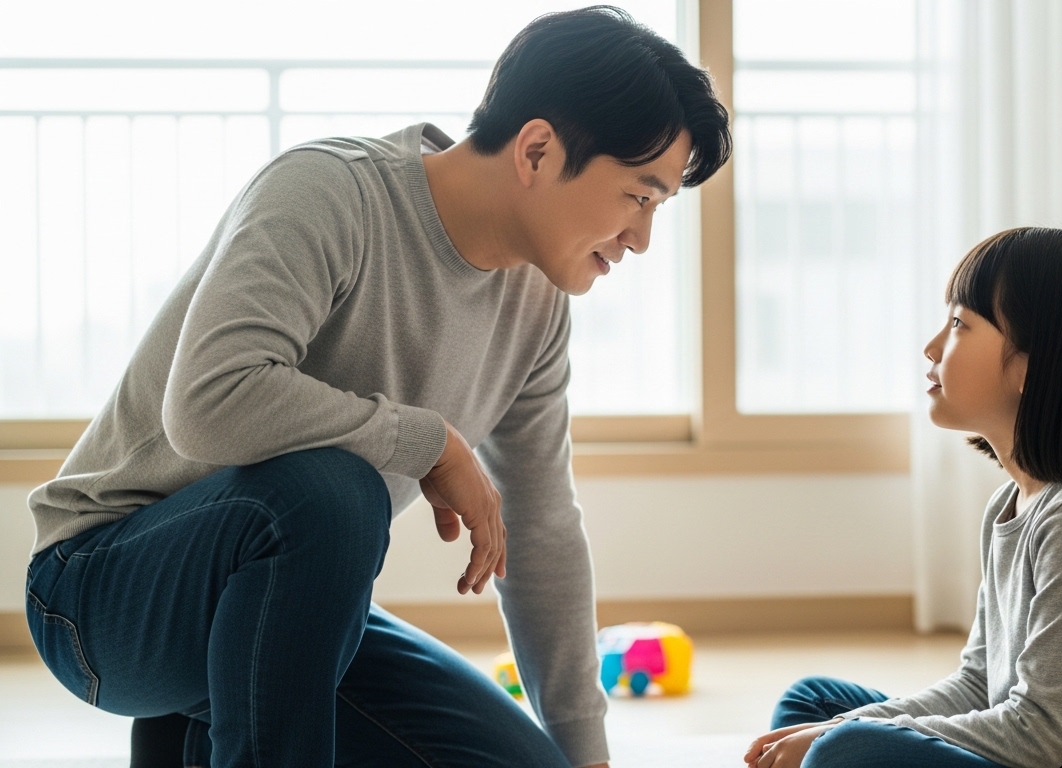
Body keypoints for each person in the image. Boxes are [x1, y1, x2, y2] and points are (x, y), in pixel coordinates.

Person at [23, 6, 729, 767]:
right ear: (536, 150)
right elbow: (208, 402)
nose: (643, 237)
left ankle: (190, 732)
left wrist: (587, 757)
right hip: (97, 594)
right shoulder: (332, 192)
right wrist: (428, 441)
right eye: (640, 195)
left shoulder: (537, 307)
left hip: (277, 611)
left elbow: (543, 529)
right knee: (331, 492)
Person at [744, 228, 1062, 768]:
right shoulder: (1013, 504)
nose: (931, 347)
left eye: (958, 325)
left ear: (1032, 365)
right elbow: (979, 684)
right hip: (1043, 750)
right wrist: (833, 730)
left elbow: (1038, 734)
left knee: (843, 747)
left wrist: (841, 741)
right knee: (813, 704)